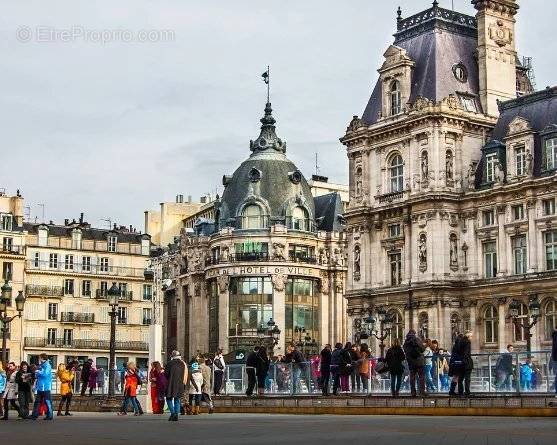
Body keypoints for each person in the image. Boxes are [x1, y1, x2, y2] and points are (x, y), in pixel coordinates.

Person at [165, 350, 187, 421]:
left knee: (169, 399)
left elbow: (166, 374)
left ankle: (173, 413)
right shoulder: (182, 364)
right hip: (180, 384)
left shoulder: (169, 363)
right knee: (177, 399)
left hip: (171, 383)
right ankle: (176, 415)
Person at [29, 353, 53, 420]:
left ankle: (50, 415)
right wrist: (36, 373)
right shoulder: (41, 366)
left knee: (47, 401)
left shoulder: (48, 365)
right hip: (40, 387)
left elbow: (45, 374)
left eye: (39, 358)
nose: (39, 359)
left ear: (42, 358)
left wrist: (38, 371)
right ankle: (34, 415)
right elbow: (38, 376)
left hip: (46, 387)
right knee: (37, 402)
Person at [403, 330, 426, 397]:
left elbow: (405, 351)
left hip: (411, 362)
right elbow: (422, 349)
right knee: (421, 376)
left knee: (412, 377)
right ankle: (422, 391)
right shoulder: (417, 339)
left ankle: (413, 392)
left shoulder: (406, 342)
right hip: (419, 361)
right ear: (415, 333)